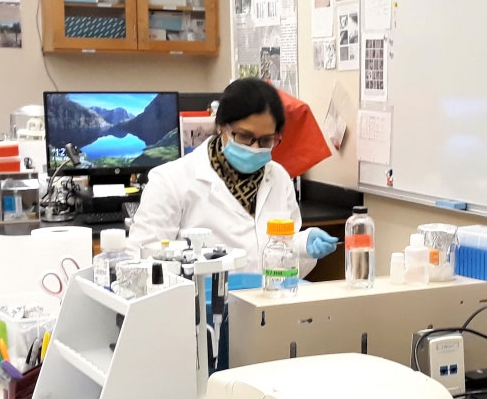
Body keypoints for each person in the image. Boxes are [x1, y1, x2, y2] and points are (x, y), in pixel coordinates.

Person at [128, 78, 338, 276]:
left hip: (268, 299)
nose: (255, 148)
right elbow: (140, 262)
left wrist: (302, 246)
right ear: (221, 126)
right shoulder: (171, 181)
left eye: (266, 140)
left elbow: (287, 264)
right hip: (201, 301)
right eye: (245, 136)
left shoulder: (279, 178)